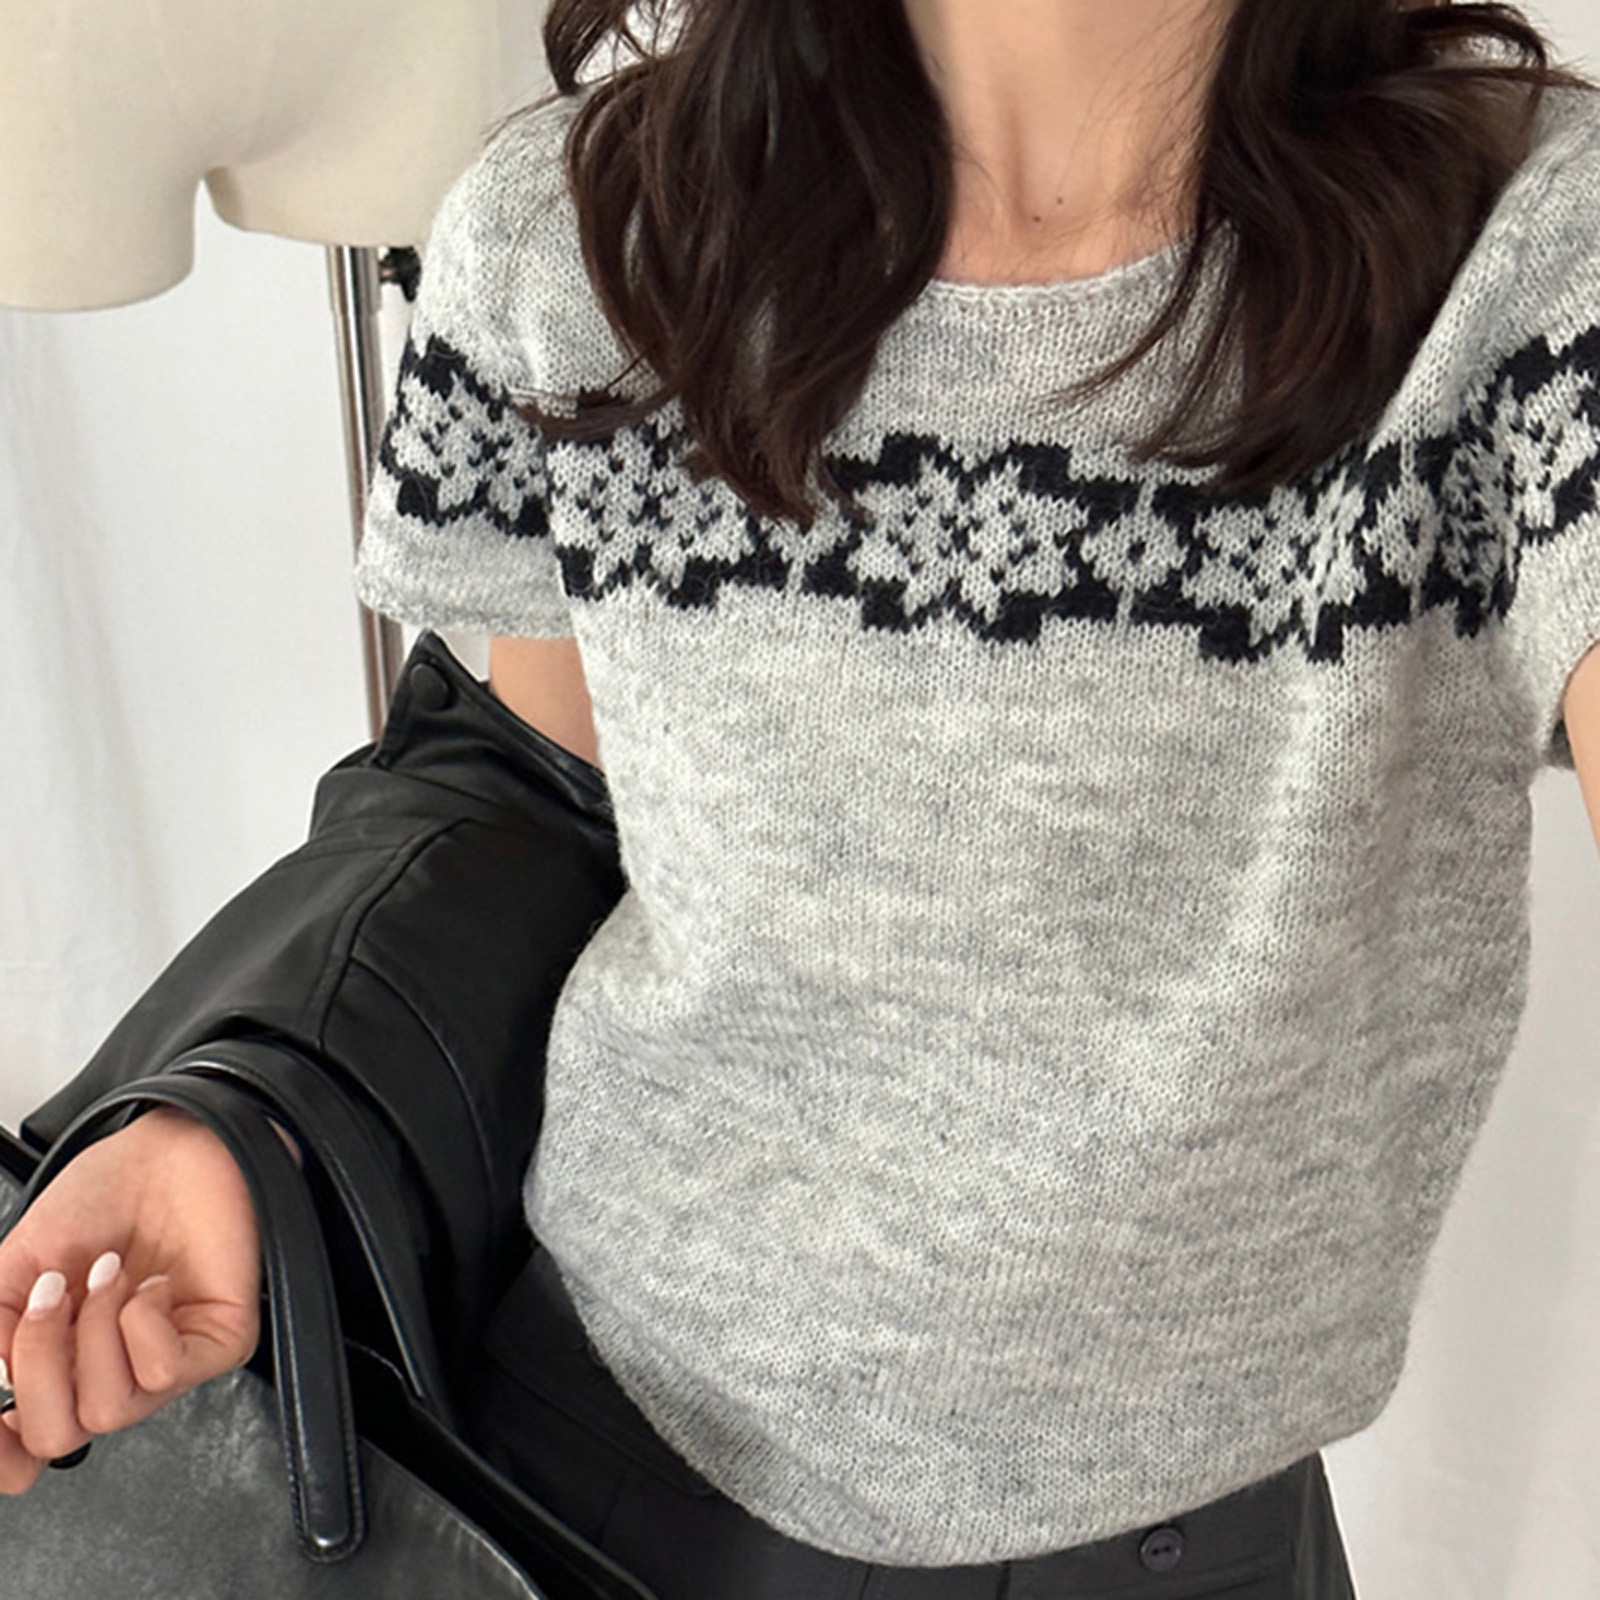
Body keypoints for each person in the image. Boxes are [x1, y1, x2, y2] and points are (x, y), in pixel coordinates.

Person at [4, 1, 1600, 1596]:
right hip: (584, 1476)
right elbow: (538, 801)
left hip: (1178, 1545)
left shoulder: (1531, 261)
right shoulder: (587, 232)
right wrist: (255, 1124)